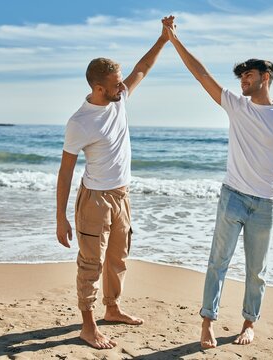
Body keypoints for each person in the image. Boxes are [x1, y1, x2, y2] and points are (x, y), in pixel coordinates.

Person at [162, 17, 273, 348]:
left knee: (257, 271)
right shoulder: (237, 106)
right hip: (232, 197)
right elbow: (201, 74)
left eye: (248, 76)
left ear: (265, 79)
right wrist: (174, 40)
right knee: (218, 263)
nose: (242, 81)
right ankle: (207, 322)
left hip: (265, 203)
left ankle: (248, 323)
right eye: (241, 77)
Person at [56, 17, 172, 350]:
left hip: (122, 196)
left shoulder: (119, 99)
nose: (122, 87)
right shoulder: (79, 122)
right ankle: (88, 325)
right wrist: (60, 217)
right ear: (97, 87)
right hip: (94, 199)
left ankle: (112, 308)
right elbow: (65, 172)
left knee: (118, 259)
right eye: (115, 83)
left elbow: (143, 68)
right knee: (90, 264)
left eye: (121, 82)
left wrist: (163, 39)